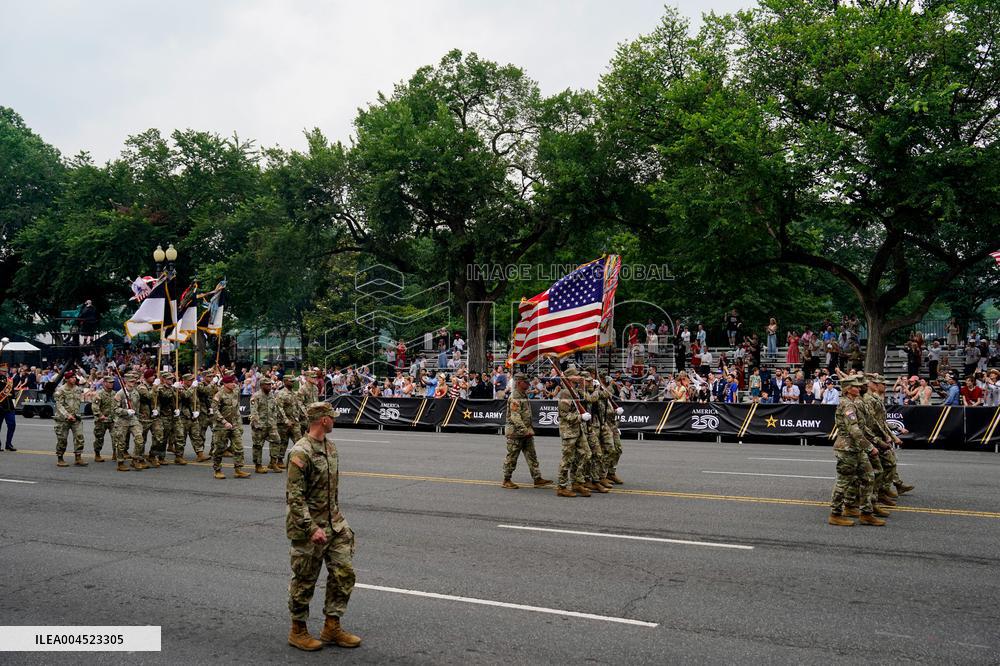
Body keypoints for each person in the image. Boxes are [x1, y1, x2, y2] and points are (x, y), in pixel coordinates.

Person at [286, 401, 361, 651]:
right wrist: (311, 528)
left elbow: (332, 491)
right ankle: (298, 631)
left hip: (334, 524)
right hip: (309, 528)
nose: (335, 420)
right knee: (305, 580)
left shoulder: (330, 447)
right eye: (332, 417)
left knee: (344, 573)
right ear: (324, 420)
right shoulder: (300, 452)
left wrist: (339, 521)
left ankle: (332, 626)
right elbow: (295, 498)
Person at [828, 374, 884, 527]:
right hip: (847, 449)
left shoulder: (852, 403)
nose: (859, 388)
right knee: (844, 482)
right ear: (847, 389)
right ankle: (835, 514)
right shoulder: (847, 405)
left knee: (868, 477)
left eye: (859, 386)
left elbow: (862, 427)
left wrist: (876, 441)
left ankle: (866, 513)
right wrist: (870, 447)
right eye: (855, 386)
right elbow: (855, 430)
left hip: (856, 448)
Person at [501, 373, 551, 489]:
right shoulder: (515, 396)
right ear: (519, 383)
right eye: (526, 382)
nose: (528, 384)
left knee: (532, 455)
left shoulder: (523, 394)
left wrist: (527, 430)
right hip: (515, 433)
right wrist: (525, 430)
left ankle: (537, 478)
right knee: (512, 457)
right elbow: (515, 416)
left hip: (525, 432)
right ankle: (506, 479)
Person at [555, 367, 591, 498]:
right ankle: (562, 486)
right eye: (576, 376)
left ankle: (577, 482)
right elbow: (564, 415)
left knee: (585, 454)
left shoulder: (574, 390)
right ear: (570, 378)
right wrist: (580, 418)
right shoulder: (565, 393)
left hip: (578, 430)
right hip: (569, 431)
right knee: (567, 459)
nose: (579, 377)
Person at [211, 374, 249, 479]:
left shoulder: (235, 391)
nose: (234, 384)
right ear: (225, 384)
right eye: (231, 382)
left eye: (234, 382)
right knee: (219, 449)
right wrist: (224, 422)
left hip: (234, 424)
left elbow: (236, 406)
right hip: (221, 426)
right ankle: (217, 470)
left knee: (239, 447)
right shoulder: (219, 395)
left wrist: (237, 420)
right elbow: (214, 410)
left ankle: (238, 470)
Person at [54, 371, 87, 467]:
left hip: (76, 417)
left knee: (79, 437)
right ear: (67, 379)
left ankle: (78, 457)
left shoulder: (77, 389)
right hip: (63, 419)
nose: (74, 379)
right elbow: (59, 405)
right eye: (72, 377)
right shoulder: (61, 390)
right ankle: (60, 458)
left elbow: (79, 400)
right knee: (62, 439)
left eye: (75, 377)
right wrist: (67, 415)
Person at [250, 377, 282, 473]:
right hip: (259, 426)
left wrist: (275, 421)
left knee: (276, 441)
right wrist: (257, 424)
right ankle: (258, 465)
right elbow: (254, 412)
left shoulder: (271, 395)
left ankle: (273, 462)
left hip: (271, 424)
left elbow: (275, 409)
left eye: (270, 384)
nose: (270, 386)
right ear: (262, 385)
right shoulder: (256, 396)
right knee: (258, 445)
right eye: (267, 385)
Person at [112, 372, 142, 472]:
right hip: (122, 421)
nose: (133, 383)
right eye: (131, 381)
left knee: (139, 439)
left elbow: (137, 407)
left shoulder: (135, 393)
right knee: (121, 443)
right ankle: (120, 463)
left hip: (133, 420)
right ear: (125, 382)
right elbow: (115, 409)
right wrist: (126, 411)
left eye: (134, 381)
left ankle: (135, 459)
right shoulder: (120, 394)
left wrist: (136, 415)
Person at [91, 375, 117, 463]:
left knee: (116, 437)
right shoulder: (99, 394)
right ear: (104, 383)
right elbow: (95, 406)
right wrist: (100, 415)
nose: (111, 384)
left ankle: (115, 453)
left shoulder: (114, 393)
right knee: (99, 438)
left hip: (112, 420)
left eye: (112, 382)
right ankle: (97, 454)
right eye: (109, 382)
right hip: (101, 420)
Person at [0, 368, 16, 452]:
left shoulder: (9, 381)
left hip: (9, 408)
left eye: (6, 371)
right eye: (3, 371)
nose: (5, 373)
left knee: (12, 425)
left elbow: (13, 395)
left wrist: (14, 406)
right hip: (0, 407)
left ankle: (8, 444)